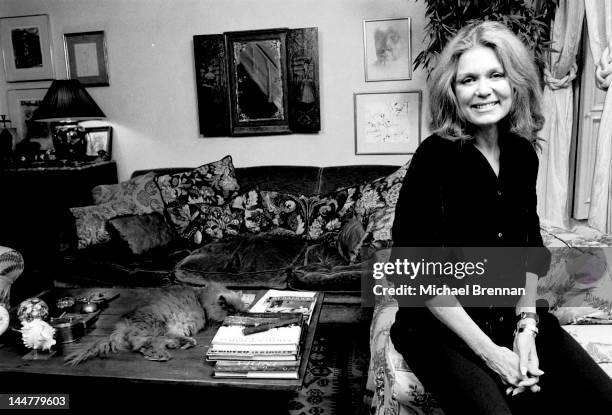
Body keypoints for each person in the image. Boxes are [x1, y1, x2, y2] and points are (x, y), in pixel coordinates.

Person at [388, 21, 612, 414]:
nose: (483, 90)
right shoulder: (434, 158)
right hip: (441, 327)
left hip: (509, 314)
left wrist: (526, 327)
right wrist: (492, 354)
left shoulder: (522, 154)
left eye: (496, 75)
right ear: (452, 91)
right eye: (468, 80)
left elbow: (528, 249)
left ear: (516, 83)